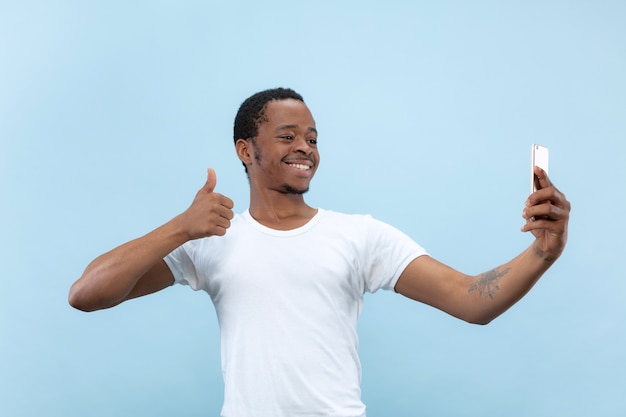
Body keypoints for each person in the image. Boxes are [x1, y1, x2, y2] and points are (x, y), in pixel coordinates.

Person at [68, 87, 571, 417]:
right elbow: (87, 294)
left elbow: (470, 300)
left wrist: (542, 254)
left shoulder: (359, 236)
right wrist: (180, 227)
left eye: (311, 138)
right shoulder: (210, 241)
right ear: (246, 150)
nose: (305, 148)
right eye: (287, 136)